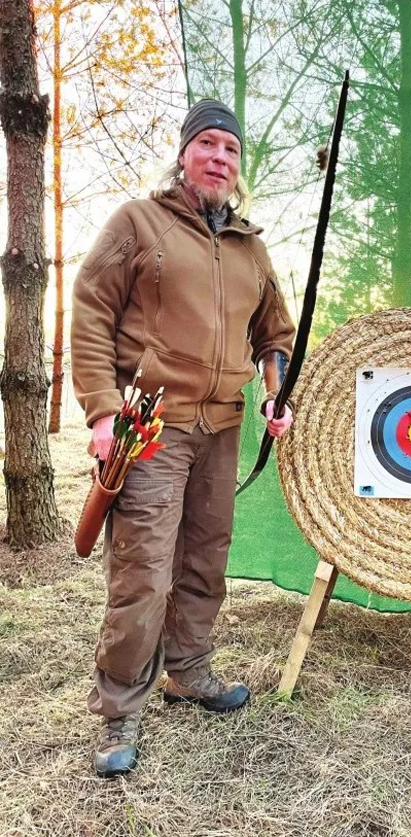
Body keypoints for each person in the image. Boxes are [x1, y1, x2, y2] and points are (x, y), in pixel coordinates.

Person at [71, 99, 295, 778]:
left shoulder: (252, 247)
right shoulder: (138, 222)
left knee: (204, 559)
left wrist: (275, 390)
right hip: (150, 425)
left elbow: (275, 334)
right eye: (208, 143)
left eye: (231, 148)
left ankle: (189, 671)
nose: (219, 157)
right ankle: (119, 709)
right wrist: (102, 414)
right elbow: (91, 310)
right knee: (143, 570)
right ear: (184, 153)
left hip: (221, 427)